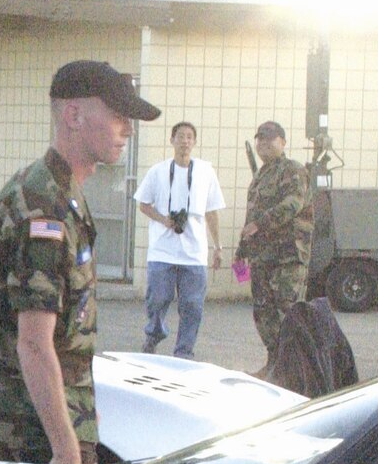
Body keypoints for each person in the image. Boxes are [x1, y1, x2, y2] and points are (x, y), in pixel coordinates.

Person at [0, 60, 160, 464]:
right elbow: (32, 342)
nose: (129, 129)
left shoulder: (61, 191)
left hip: (37, 424)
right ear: (74, 115)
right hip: (27, 436)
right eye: (119, 116)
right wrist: (66, 448)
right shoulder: (42, 206)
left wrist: (80, 412)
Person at [134, 120, 225, 359]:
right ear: (171, 140)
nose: (185, 141)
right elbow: (143, 204)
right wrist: (163, 219)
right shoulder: (158, 171)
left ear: (194, 142)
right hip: (162, 249)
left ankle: (184, 351)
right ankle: (154, 333)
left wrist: (218, 247)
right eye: (180, 136)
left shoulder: (205, 171)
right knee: (157, 299)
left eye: (189, 137)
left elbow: (212, 211)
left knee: (192, 306)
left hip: (194, 252)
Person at [234, 120, 313, 375]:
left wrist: (261, 223)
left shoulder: (293, 170)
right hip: (262, 258)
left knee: (287, 314)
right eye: (259, 139)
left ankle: (296, 370)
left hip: (287, 257)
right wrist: (241, 253)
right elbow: (251, 218)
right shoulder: (261, 175)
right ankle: (275, 365)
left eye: (270, 139)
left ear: (283, 142)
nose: (263, 144)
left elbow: (293, 204)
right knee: (264, 314)